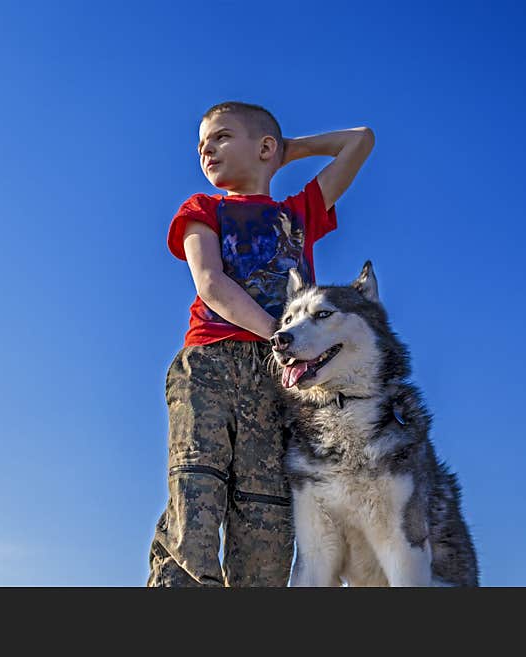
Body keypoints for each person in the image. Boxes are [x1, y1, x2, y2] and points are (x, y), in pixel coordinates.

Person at [147, 101, 374, 586]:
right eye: (202, 143)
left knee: (267, 519)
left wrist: (291, 150)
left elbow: (361, 141)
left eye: (223, 136)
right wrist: (280, 335)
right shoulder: (203, 209)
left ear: (266, 147)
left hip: (282, 382)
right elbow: (210, 283)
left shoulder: (299, 214)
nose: (207, 147)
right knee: (197, 498)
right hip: (212, 368)